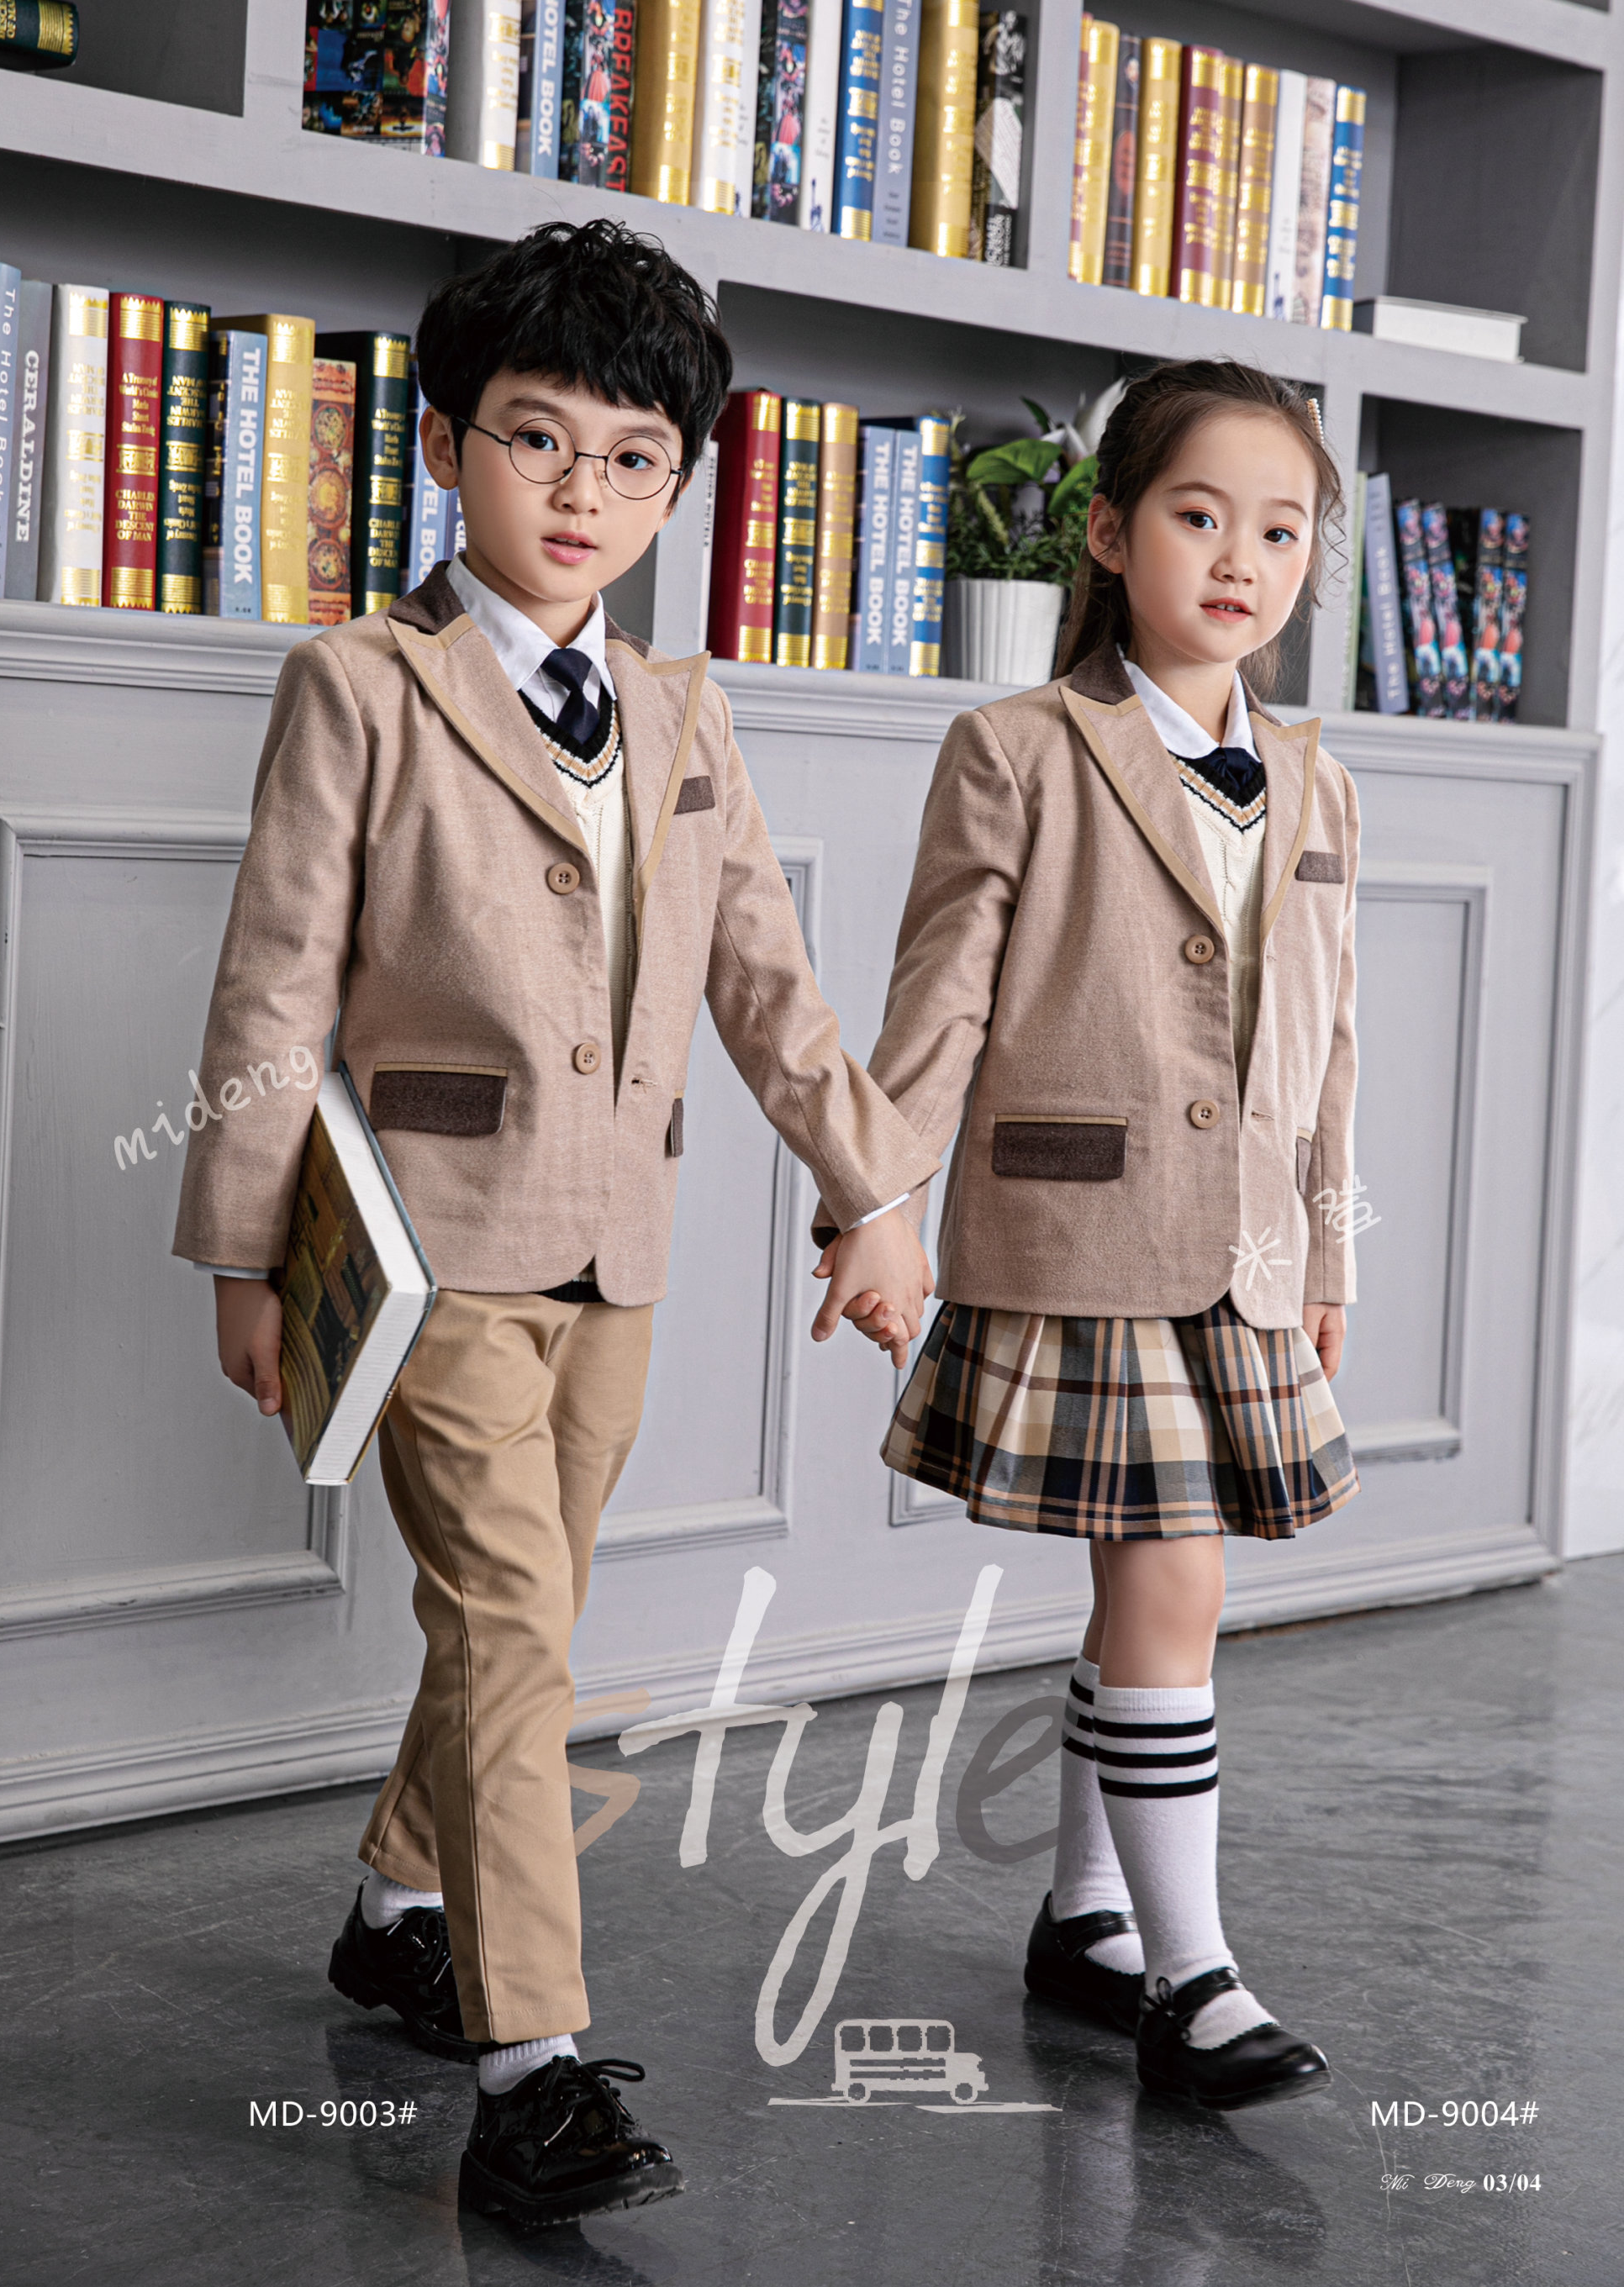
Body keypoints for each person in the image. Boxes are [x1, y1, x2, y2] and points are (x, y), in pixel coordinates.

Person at [171, 218, 939, 2225]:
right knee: (516, 1625)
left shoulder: (686, 712)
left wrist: (871, 1189)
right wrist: (244, 1249)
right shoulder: (362, 682)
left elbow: (767, 985)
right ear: (446, 444)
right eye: (535, 440)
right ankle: (534, 2071)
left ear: (678, 482)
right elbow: (272, 987)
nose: (581, 491)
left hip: (618, 1253)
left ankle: (394, 1906)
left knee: (517, 1618)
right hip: (426, 1251)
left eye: (632, 458)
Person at [833, 358, 1361, 2110]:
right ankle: (1192, 1978)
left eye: (1279, 530)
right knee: (1173, 1578)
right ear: (1113, 533)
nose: (1241, 559)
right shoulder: (1020, 750)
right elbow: (938, 1007)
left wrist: (1327, 1255)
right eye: (1201, 516)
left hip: (1244, 1265)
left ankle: (1084, 1914)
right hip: (1080, 1243)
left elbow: (1329, 1050)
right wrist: (875, 1202)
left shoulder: (1317, 778)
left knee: (1143, 1583)